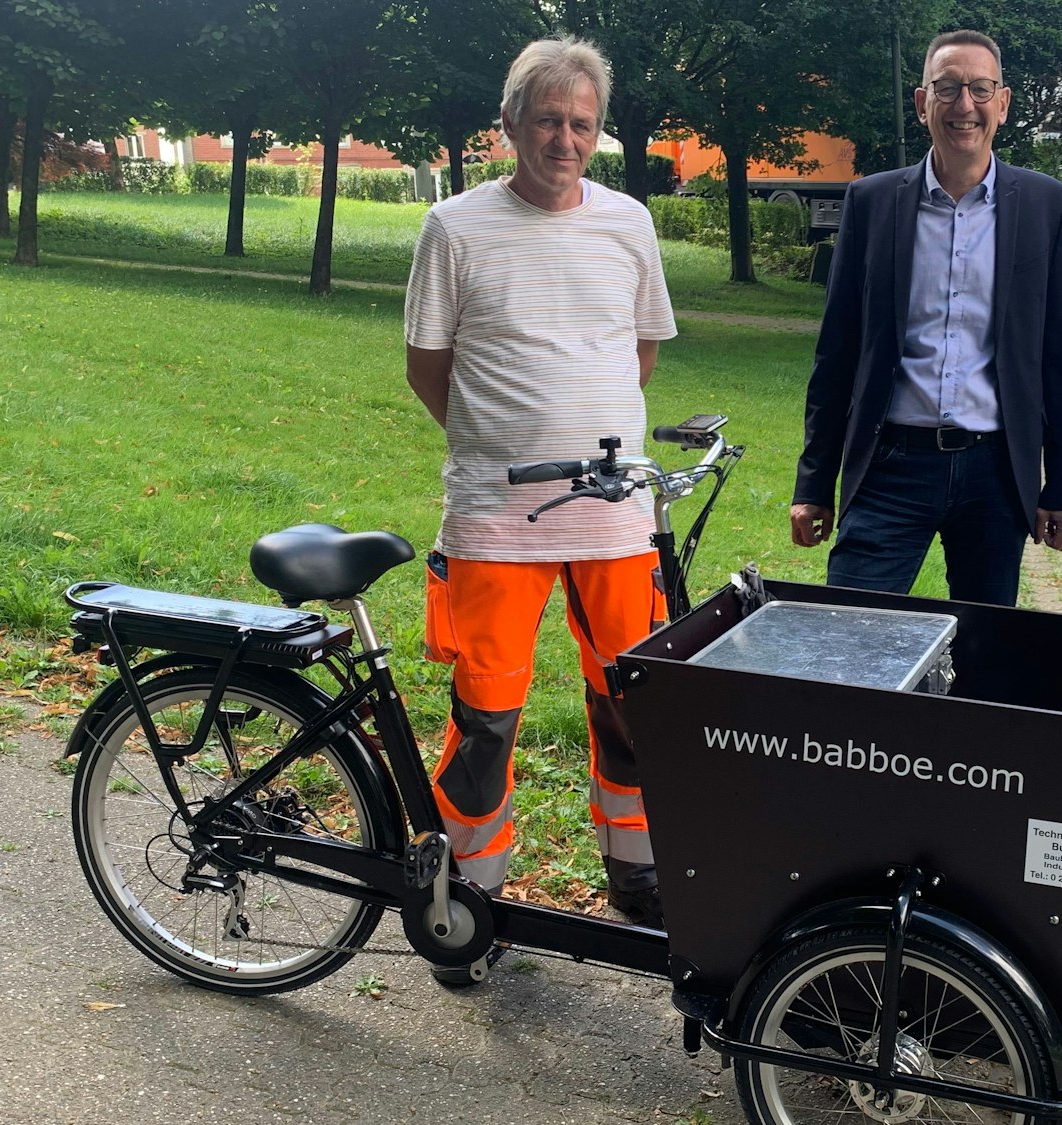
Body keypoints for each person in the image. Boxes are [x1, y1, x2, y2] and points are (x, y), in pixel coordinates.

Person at [404, 35, 677, 981]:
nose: (565, 139)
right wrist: (497, 443)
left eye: (582, 124)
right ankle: (463, 906)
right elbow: (427, 368)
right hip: (492, 521)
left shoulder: (629, 224)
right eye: (549, 120)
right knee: (487, 716)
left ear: (598, 134)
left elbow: (640, 351)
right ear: (510, 125)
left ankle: (638, 877)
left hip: (613, 518)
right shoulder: (453, 227)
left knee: (631, 706)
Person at [790, 29, 1062, 606]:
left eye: (980, 88)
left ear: (1002, 103)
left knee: (984, 650)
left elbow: (1060, 361)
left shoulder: (1047, 206)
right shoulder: (872, 203)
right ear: (922, 102)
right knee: (852, 637)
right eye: (947, 88)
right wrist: (813, 483)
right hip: (889, 465)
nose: (964, 105)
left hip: (995, 473)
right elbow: (838, 353)